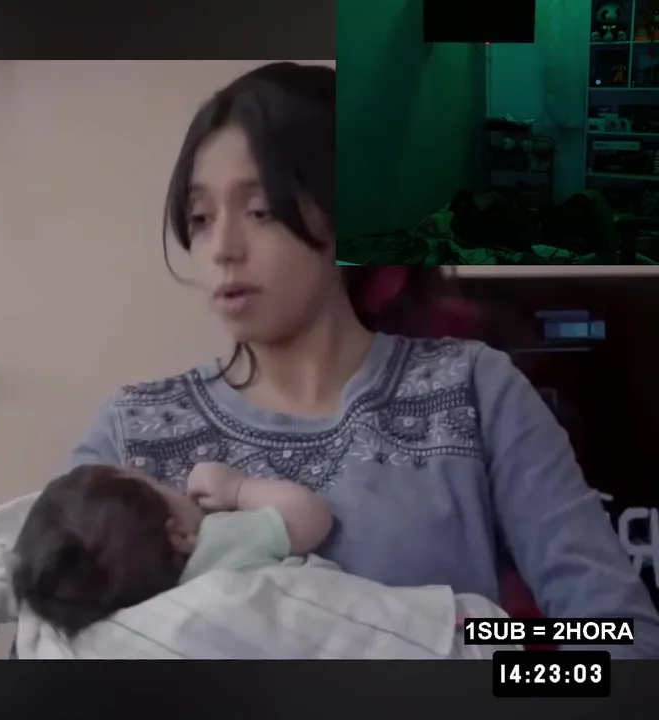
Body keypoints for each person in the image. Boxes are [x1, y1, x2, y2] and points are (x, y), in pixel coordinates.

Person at [62, 62, 659, 657]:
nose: (222, 248)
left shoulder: (473, 390)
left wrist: (488, 662)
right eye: (199, 219)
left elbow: (620, 636)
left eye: (260, 210)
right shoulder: (130, 436)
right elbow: (47, 652)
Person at [12, 462, 511, 658]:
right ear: (178, 535)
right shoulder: (221, 538)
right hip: (436, 633)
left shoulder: (148, 622)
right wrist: (238, 489)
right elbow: (310, 519)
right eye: (159, 484)